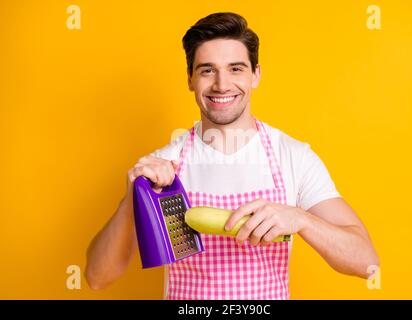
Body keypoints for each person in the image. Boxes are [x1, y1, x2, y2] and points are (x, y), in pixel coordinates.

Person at [85, 12, 379, 299]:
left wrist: (303, 220)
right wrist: (132, 196)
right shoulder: (165, 166)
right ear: (190, 79)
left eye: (236, 68)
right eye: (207, 70)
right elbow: (98, 278)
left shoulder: (293, 157)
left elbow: (367, 264)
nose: (222, 84)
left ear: (256, 75)